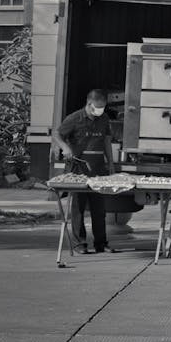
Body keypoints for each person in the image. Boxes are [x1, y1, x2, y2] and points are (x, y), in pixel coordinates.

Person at [51, 88, 114, 255]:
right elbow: (56, 134)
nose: (100, 111)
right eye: (97, 108)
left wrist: (111, 163)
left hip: (99, 168)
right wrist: (65, 147)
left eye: (103, 108)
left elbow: (107, 141)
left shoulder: (104, 118)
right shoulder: (75, 118)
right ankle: (80, 244)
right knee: (78, 208)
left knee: (99, 209)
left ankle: (101, 243)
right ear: (89, 104)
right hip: (78, 168)